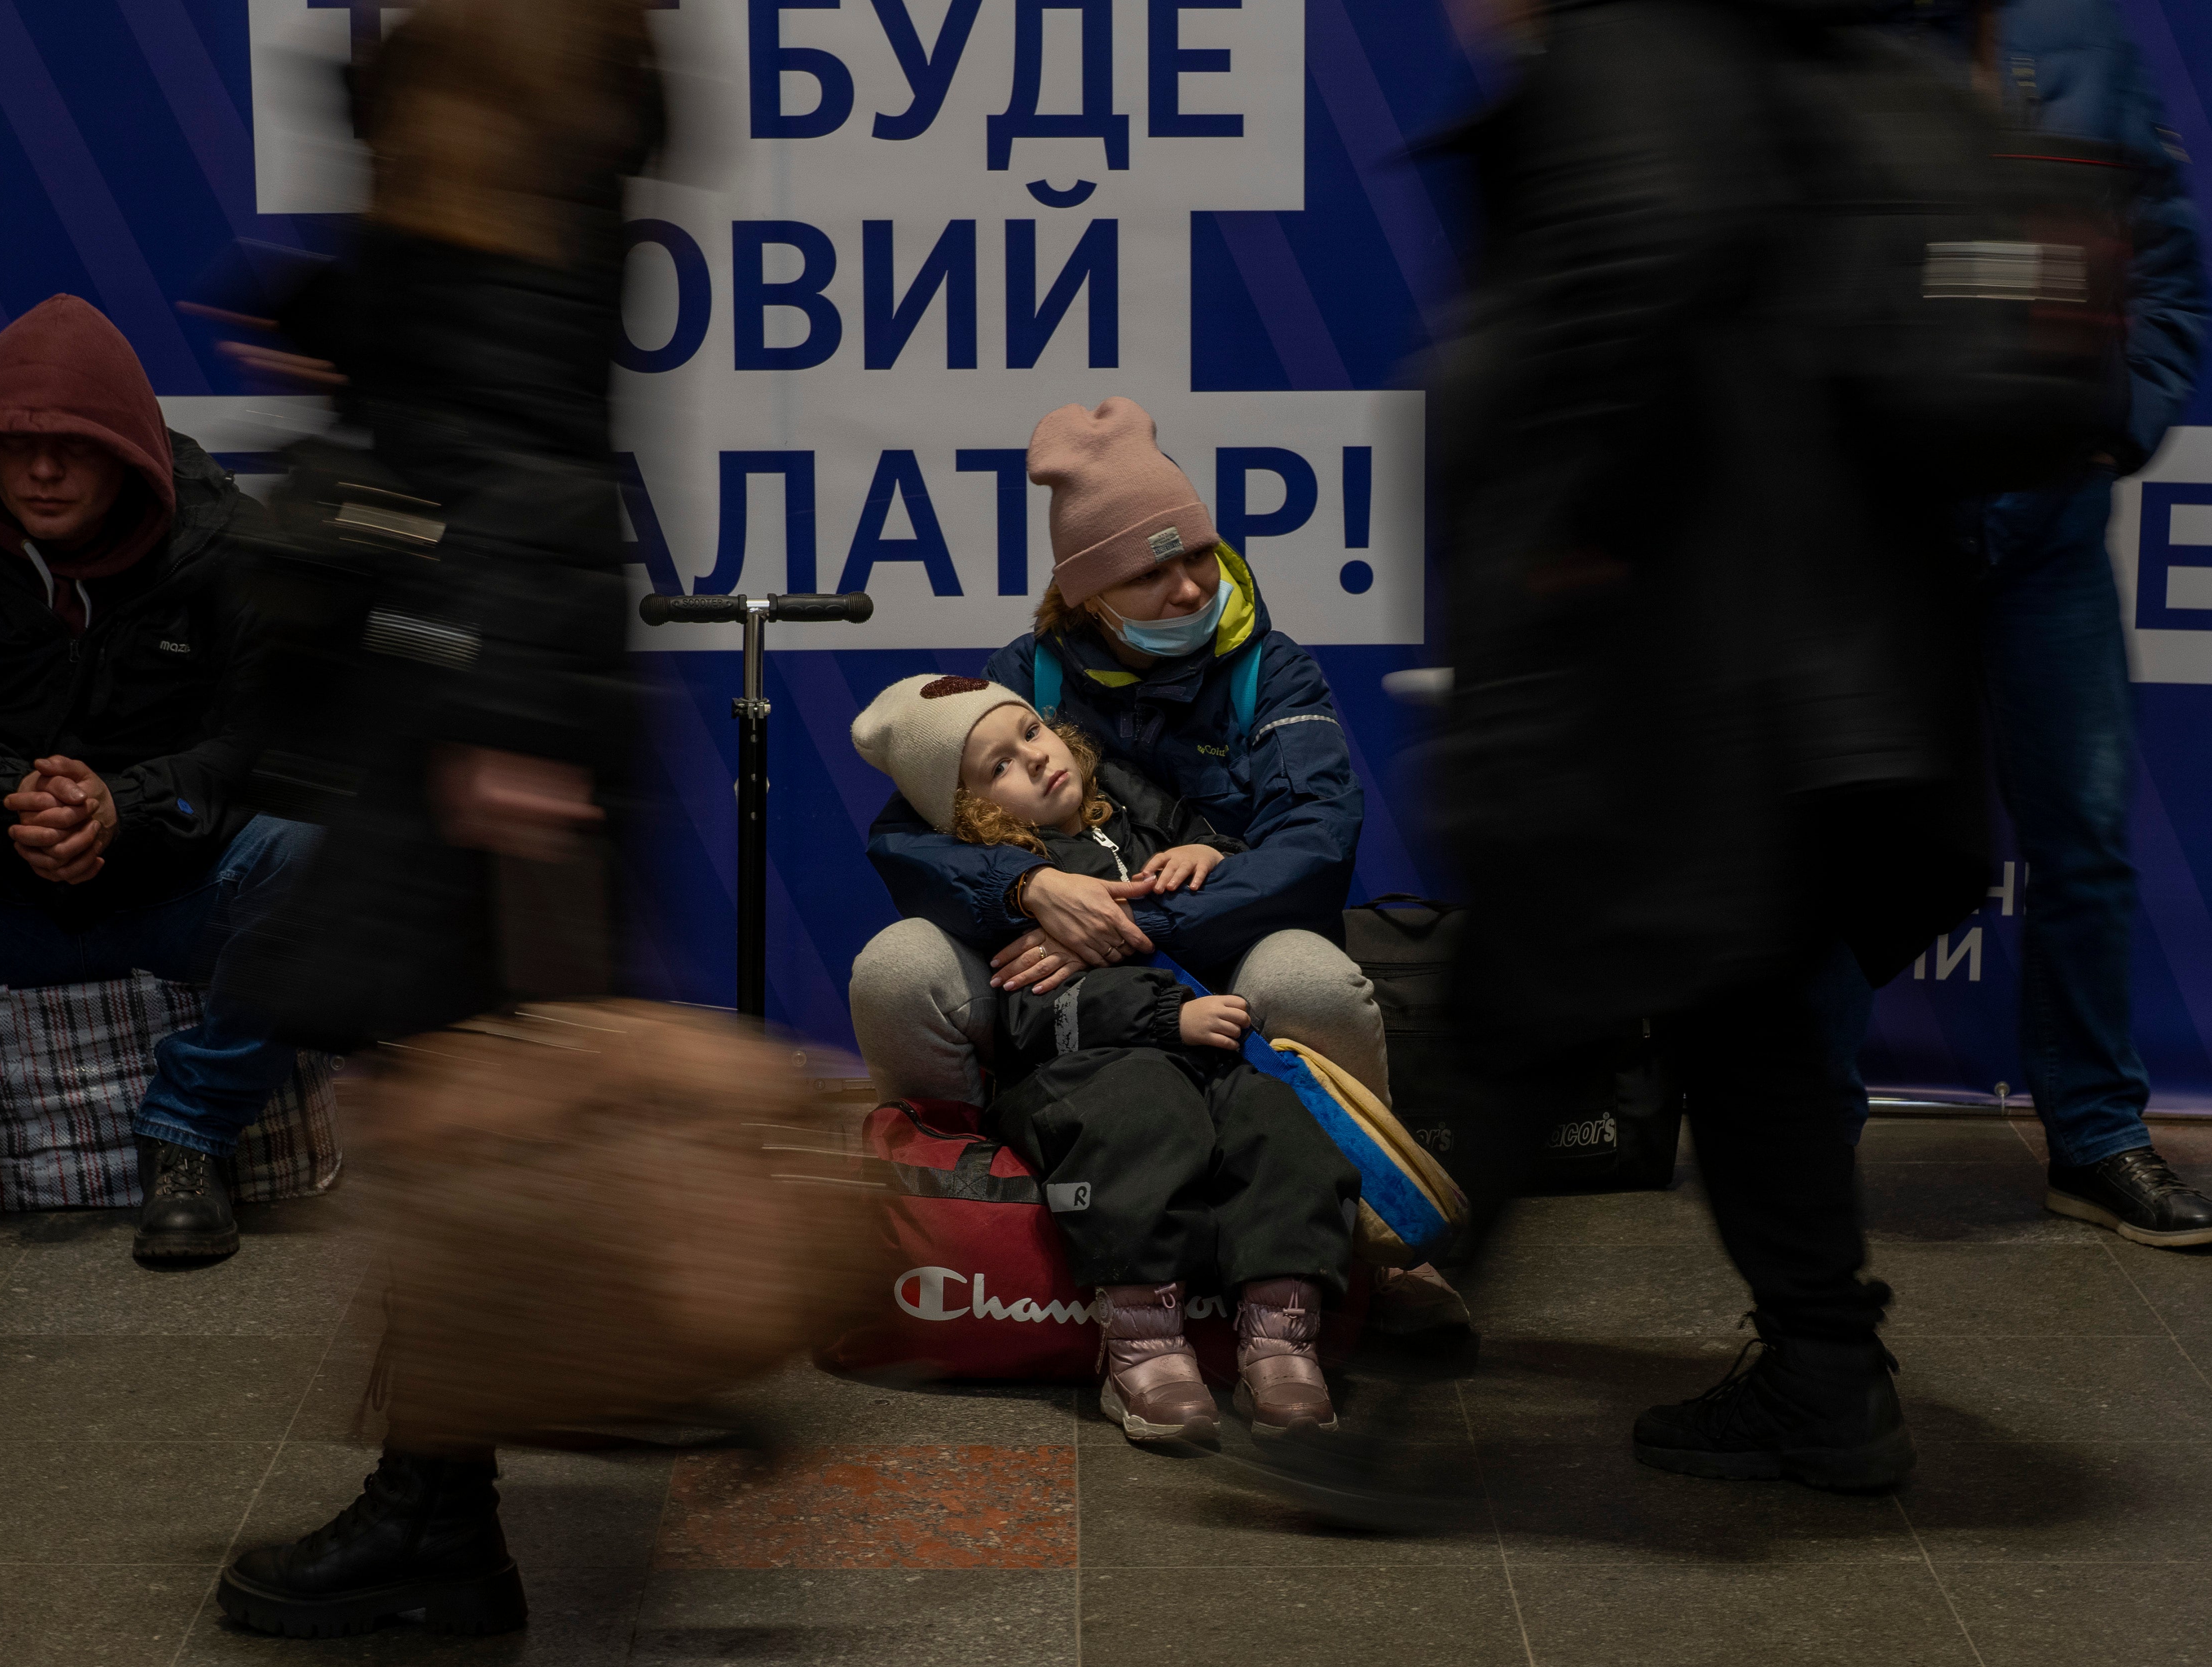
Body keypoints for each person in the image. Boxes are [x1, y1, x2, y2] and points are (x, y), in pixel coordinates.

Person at [1429, 0, 1994, 1490]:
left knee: (1533, 999)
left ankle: (1374, 1419)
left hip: (1695, 671)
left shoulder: (1637, 44)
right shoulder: (1765, 45)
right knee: (1742, 1025)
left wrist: (1563, 533)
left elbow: (1651, 253)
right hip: (1809, 669)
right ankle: (1825, 1370)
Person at [214, 0, 665, 1638]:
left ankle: (446, 1515)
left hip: (486, 701)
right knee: (448, 1111)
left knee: (452, 1119)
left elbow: (525, 448)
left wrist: (519, 725)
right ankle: (453, 1486)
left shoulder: (514, 117)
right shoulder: (503, 121)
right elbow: (464, 383)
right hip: (474, 682)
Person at [1824, 0, 2212, 1250]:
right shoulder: (1831, 40)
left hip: (2049, 534)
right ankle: (1802, 1143)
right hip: (1879, 537)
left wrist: (2119, 422)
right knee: (1842, 838)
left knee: (2084, 844)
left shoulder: (2085, 36)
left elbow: (2157, 256)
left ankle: (2096, 1135)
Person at [0, 294, 311, 1270]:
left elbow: (275, 743)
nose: (40, 471)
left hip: (166, 887)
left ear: (127, 448)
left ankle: (191, 1136)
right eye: (14, 444)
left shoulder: (229, 542)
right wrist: (11, 796)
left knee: (310, 847)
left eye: (72, 447)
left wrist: (127, 806)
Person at [851, 672, 1362, 1441]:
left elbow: (1224, 849)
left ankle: (1281, 1335)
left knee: (1275, 1118)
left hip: (1198, 1054)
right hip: (1077, 1076)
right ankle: (1142, 1343)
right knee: (1141, 1115)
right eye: (998, 767)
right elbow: (1031, 1020)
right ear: (974, 812)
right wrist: (1168, 1016)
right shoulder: (1012, 884)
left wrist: (1207, 851)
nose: (1035, 757)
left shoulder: (1123, 810)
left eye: (1031, 732)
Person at [852, 396, 1387, 1107]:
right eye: (1148, 574)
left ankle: (1360, 1201)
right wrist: (1029, 888)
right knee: (896, 969)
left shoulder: (1274, 669)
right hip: (1056, 980)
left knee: (1311, 983)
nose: (1190, 587)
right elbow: (906, 840)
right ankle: (970, 1196)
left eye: (1197, 553)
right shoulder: (1025, 677)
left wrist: (1127, 925)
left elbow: (1316, 843)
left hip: (1228, 954)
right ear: (1085, 598)